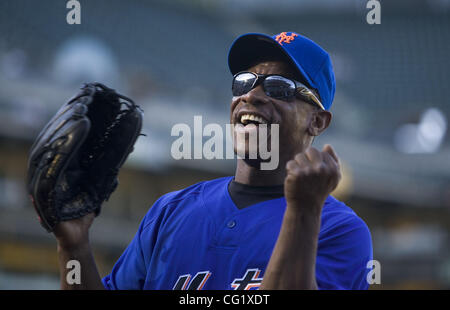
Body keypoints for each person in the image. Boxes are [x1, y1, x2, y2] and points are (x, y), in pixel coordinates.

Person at [54, 31, 373, 290]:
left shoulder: (340, 230)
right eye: (244, 82)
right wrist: (75, 245)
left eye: (279, 87)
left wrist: (303, 211)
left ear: (317, 121)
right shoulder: (170, 211)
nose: (252, 95)